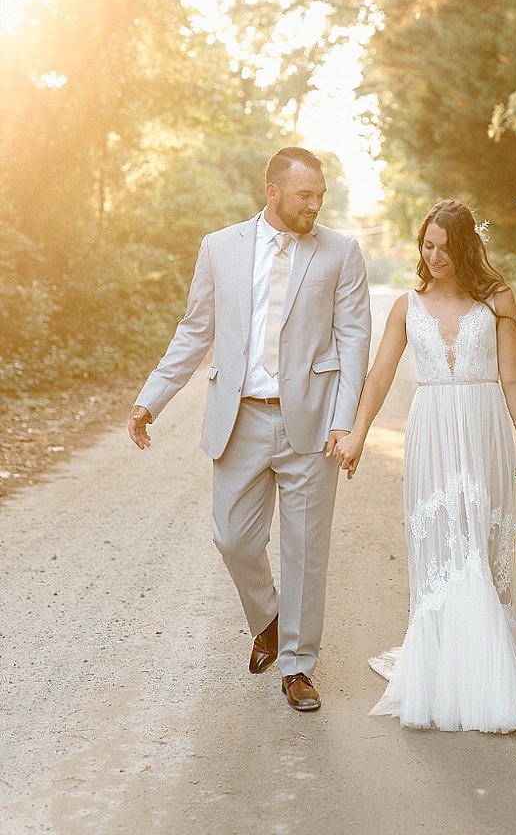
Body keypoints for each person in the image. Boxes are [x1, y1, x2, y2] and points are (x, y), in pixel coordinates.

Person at [128, 147, 371, 713]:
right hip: (238, 417)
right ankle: (268, 618)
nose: (314, 205)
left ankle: (298, 666)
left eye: (320, 196)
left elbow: (354, 340)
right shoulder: (221, 247)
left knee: (306, 550)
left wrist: (346, 422)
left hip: (308, 422)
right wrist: (150, 400)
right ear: (273, 192)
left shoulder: (341, 252)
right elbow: (195, 330)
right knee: (232, 537)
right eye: (304, 195)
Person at [333, 199, 516, 733]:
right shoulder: (406, 308)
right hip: (432, 431)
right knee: (444, 542)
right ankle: (446, 661)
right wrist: (358, 434)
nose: (434, 256)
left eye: (445, 247)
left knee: (481, 539)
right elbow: (381, 373)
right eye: (427, 245)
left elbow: (514, 377)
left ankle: (491, 657)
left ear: (466, 248)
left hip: (484, 430)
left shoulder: (497, 300)